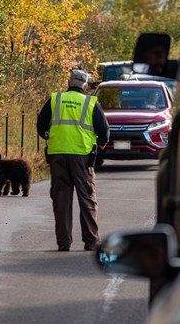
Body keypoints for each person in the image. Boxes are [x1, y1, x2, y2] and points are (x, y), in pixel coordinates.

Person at [37, 69, 110, 252]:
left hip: (58, 156)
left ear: (69, 82)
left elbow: (41, 125)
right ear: (85, 85)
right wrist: (99, 145)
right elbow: (104, 132)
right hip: (82, 157)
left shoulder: (55, 100)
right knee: (87, 199)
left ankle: (64, 242)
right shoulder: (90, 103)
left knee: (61, 200)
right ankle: (91, 241)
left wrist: (50, 136)